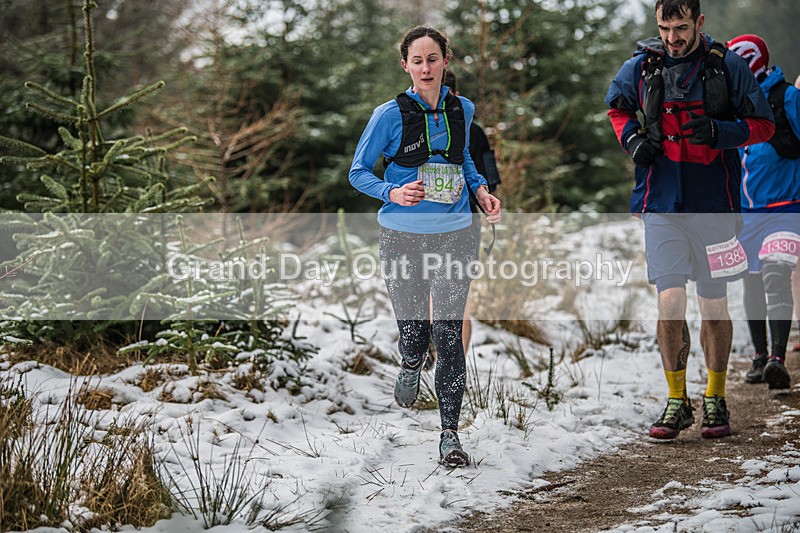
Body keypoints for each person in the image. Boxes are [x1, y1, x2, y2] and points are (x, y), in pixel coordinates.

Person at [605, 0, 774, 440]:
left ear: (699, 22)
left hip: (713, 202)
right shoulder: (642, 65)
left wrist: (723, 133)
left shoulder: (728, 66)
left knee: (713, 302)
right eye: (664, 28)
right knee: (669, 300)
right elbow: (617, 108)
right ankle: (677, 401)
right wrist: (633, 141)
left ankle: (715, 398)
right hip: (660, 202)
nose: (672, 38)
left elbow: (764, 125)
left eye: (680, 28)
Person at [348, 26, 501, 467]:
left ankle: (449, 435)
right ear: (406, 66)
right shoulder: (387, 115)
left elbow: (464, 160)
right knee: (415, 332)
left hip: (456, 232)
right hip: (402, 236)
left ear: (445, 60)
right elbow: (358, 172)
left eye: (433, 58)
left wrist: (481, 190)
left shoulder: (462, 109)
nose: (426, 68)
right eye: (417, 61)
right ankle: (411, 359)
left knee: (449, 335)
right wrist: (390, 192)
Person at [727, 34, 800, 389]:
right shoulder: (735, 104)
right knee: (752, 282)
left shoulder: (788, 97)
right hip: (747, 214)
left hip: (787, 208)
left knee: (775, 274)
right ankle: (759, 356)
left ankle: (778, 359)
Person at [423, 71, 501, 365]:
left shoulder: (475, 132)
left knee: (459, 300)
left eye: (446, 94)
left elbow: (490, 182)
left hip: (465, 223)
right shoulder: (416, 128)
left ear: (455, 95)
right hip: (425, 224)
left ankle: (454, 371)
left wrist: (478, 197)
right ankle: (430, 358)